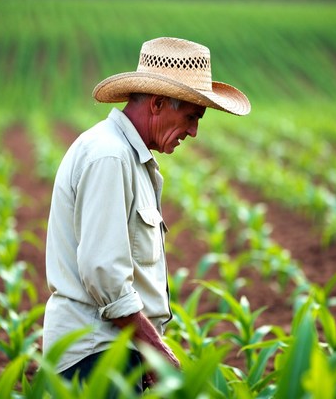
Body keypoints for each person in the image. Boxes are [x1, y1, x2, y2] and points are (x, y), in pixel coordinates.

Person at [42, 37, 250, 394]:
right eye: (191, 116)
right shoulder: (110, 157)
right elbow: (104, 272)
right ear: (157, 103)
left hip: (114, 351)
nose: (195, 131)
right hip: (96, 357)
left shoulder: (127, 156)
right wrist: (155, 348)